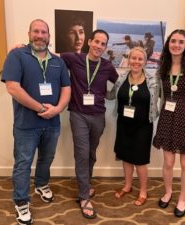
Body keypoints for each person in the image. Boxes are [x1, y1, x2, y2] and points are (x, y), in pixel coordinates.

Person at [1, 19, 71, 225]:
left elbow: (67, 89)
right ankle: (21, 202)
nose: (40, 36)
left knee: (46, 159)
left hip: (52, 123)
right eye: (36, 32)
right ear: (29, 33)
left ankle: (41, 184)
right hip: (26, 125)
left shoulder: (58, 61)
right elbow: (13, 87)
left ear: (49, 36)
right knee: (23, 164)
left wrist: (57, 110)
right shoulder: (17, 55)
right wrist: (40, 108)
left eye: (44, 32)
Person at [60, 29, 119, 219]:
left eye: (103, 44)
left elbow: (121, 82)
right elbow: (49, 55)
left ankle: (86, 185)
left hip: (98, 116)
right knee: (82, 153)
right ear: (89, 42)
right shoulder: (73, 59)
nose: (99, 46)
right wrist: (23, 48)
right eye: (97, 42)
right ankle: (84, 196)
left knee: (91, 154)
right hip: (78, 114)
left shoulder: (108, 66)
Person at [152, 29, 185, 218]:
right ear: (168, 44)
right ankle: (168, 192)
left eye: (181, 42)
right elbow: (158, 94)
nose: (176, 45)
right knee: (168, 162)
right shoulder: (163, 67)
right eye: (173, 41)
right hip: (167, 118)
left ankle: (182, 198)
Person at [106, 47, 160, 206]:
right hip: (123, 124)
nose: (136, 62)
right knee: (126, 157)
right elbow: (110, 96)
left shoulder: (153, 80)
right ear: (129, 60)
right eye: (133, 58)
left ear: (144, 61)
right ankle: (128, 186)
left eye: (139, 59)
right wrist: (97, 85)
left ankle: (143, 191)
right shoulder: (121, 78)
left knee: (140, 161)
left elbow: (160, 100)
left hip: (143, 126)